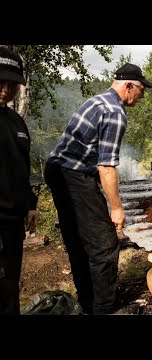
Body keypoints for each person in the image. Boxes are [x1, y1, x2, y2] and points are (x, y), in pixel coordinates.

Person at [44, 63, 152, 314]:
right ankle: (106, 308)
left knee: (78, 240)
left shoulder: (97, 100)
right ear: (129, 87)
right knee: (104, 244)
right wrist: (116, 209)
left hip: (56, 171)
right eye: (141, 90)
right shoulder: (115, 112)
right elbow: (106, 167)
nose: (142, 95)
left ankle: (87, 302)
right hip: (74, 176)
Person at [0, 47, 39, 315]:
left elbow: (21, 169)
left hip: (13, 223)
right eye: (0, 82)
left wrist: (31, 204)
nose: (5, 89)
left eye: (12, 84)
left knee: (10, 286)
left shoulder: (16, 122)